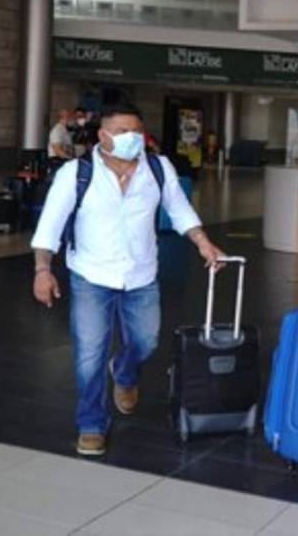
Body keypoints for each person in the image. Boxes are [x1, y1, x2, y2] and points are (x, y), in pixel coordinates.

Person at [30, 102, 227, 457]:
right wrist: (42, 270)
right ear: (103, 135)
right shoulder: (77, 173)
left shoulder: (158, 167)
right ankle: (91, 423)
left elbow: (180, 209)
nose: (132, 138)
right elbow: (50, 227)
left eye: (136, 131)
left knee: (146, 342)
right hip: (91, 274)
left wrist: (203, 243)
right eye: (123, 132)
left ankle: (124, 372)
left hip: (141, 274)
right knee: (89, 354)